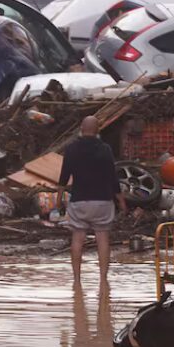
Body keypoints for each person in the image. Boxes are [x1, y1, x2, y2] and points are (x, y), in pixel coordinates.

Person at [58, 116, 127, 279]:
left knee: (77, 238)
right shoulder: (105, 149)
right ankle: (103, 279)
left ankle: (76, 280)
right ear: (97, 130)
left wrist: (58, 199)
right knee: (102, 238)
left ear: (81, 128)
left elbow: (64, 176)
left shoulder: (71, 148)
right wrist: (121, 201)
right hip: (102, 201)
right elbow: (113, 177)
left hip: (79, 201)